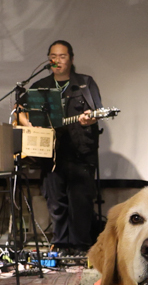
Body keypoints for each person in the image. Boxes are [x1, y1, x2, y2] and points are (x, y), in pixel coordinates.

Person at [21, 40, 102, 255]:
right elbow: (20, 109)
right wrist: (29, 125)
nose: (57, 60)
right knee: (55, 201)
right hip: (51, 154)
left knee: (80, 201)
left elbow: (97, 112)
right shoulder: (40, 85)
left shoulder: (85, 83)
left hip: (80, 152)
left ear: (71, 59)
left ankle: (81, 245)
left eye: (62, 56)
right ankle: (61, 244)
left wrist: (89, 120)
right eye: (53, 56)